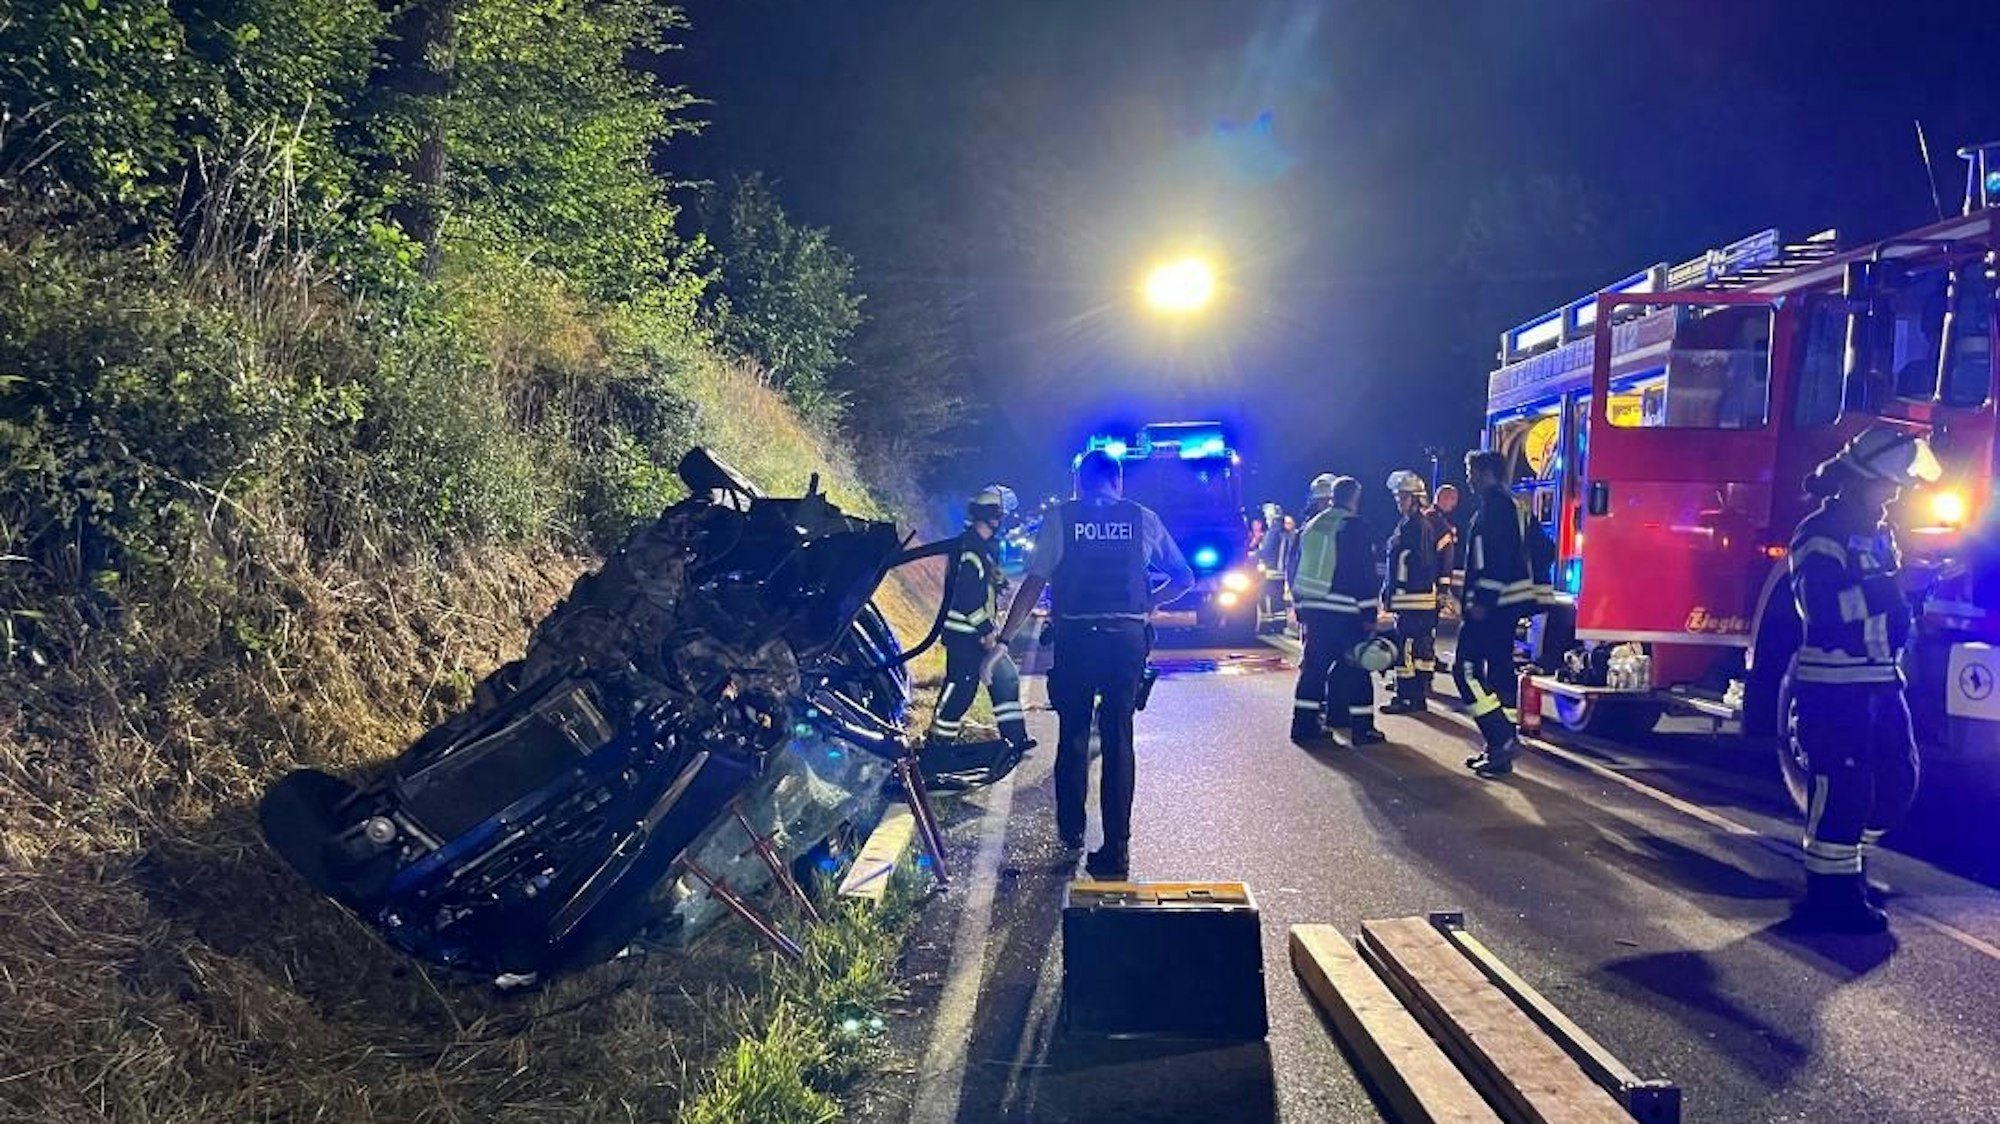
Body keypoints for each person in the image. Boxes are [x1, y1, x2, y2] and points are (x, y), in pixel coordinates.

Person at [997, 450, 1194, 880]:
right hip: (1126, 642)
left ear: (1080, 482)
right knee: (1118, 739)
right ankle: (1116, 850)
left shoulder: (1061, 519)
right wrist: (1147, 603)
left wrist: (1004, 638)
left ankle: (1071, 832)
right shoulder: (1142, 518)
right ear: (1117, 481)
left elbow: (1034, 583)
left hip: (1077, 641)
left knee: (1073, 735)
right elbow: (1184, 578)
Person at [1787, 426, 1938, 933]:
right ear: (1861, 480)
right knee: (1843, 790)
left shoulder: (1878, 532)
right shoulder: (1819, 535)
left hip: (1881, 681)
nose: (1896, 493)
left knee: (1899, 781)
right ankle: (1831, 898)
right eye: (1889, 484)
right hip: (1835, 688)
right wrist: (1895, 588)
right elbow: (1824, 610)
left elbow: (1882, 604)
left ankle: (1851, 866)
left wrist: (1916, 589)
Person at [926, 487, 1034, 763]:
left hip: (976, 634)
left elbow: (982, 581)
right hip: (966, 637)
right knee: (960, 691)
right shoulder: (970, 549)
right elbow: (966, 598)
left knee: (1006, 677)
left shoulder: (980, 547)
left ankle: (1015, 739)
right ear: (993, 517)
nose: (1003, 521)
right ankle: (937, 747)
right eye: (1002, 516)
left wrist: (998, 583)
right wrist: (987, 632)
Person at [1455, 451, 1538, 777]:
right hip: (1502, 607)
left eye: (1471, 472)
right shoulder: (1506, 505)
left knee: (1465, 672)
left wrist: (1482, 601)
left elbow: (1497, 559)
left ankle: (1501, 737)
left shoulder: (1496, 507)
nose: (1468, 479)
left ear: (1486, 472)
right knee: (1496, 674)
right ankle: (1499, 747)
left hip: (1490, 609)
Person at [1287, 474, 1385, 746]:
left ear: (1332, 498)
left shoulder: (1312, 526)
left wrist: (1301, 607)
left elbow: (1295, 567)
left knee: (1314, 670)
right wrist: (1369, 613)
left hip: (1315, 611)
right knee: (1357, 667)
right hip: (1345, 612)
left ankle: (1304, 725)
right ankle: (1363, 729)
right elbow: (1363, 573)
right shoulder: (1354, 526)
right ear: (1355, 498)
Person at [1381, 470, 1443, 714]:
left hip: (1411, 598)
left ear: (1416, 499)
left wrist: (1391, 593)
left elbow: (1406, 564)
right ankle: (1416, 694)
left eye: (1403, 497)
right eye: (1398, 497)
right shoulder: (1419, 524)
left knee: (1405, 649)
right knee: (1419, 648)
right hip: (1419, 598)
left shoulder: (1413, 526)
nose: (1399, 502)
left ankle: (1407, 697)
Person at [1431, 482, 1464, 616]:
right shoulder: (1441, 526)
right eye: (1453, 499)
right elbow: (1446, 560)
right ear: (1444, 498)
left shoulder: (1425, 518)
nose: (1455, 505)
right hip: (1434, 581)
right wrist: (1443, 590)